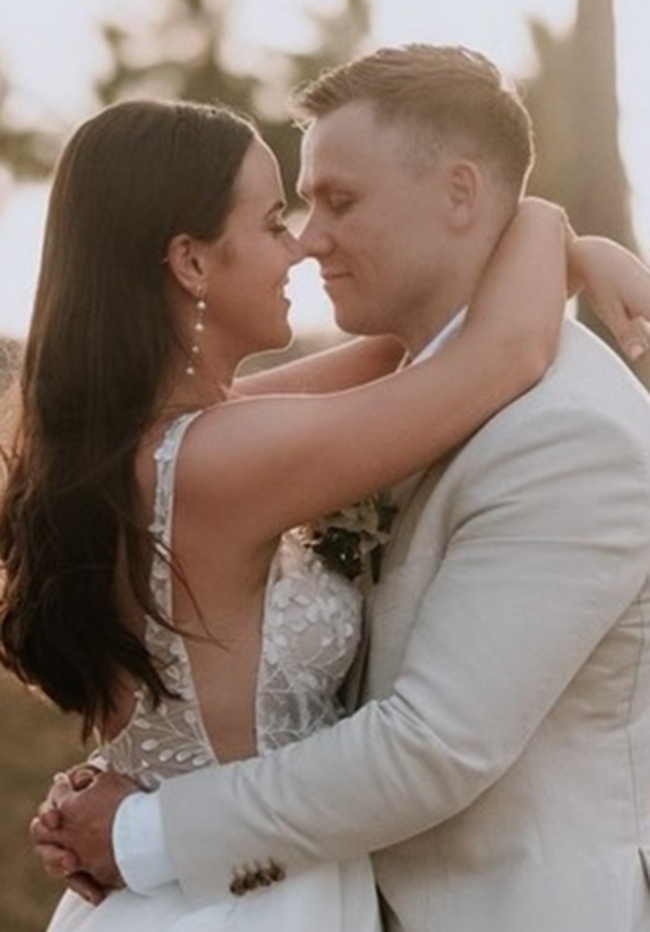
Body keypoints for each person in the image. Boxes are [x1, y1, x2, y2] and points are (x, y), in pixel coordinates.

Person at [21, 48, 650, 932]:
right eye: (281, 215)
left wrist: (568, 254)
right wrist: (555, 231)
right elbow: (485, 356)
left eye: (328, 203)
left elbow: (425, 356)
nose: (306, 241)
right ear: (190, 264)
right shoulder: (228, 450)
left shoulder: (187, 431)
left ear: (461, 193)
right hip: (243, 900)